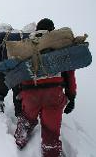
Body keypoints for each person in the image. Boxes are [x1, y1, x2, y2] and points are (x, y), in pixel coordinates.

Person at [13, 18, 77, 157]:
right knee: (51, 129)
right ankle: (51, 150)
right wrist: (71, 97)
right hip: (53, 93)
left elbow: (18, 72)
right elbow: (69, 75)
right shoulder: (60, 46)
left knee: (27, 119)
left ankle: (20, 139)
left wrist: (19, 94)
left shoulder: (28, 45)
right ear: (52, 30)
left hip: (30, 92)